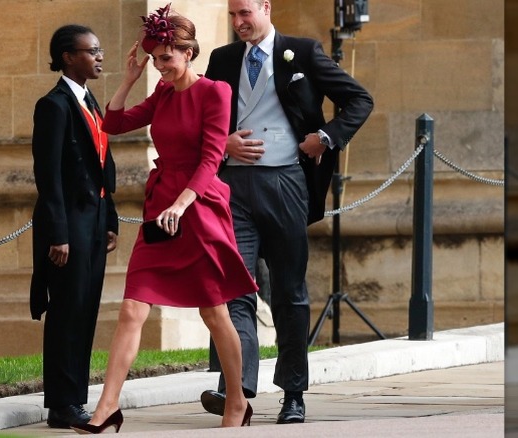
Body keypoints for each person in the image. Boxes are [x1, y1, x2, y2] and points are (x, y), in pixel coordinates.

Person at [70, 4, 258, 433]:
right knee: (132, 308)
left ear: (188, 53)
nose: (160, 65)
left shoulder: (215, 92)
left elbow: (212, 156)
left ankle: (236, 401)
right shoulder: (161, 95)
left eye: (166, 58)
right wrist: (130, 80)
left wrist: (182, 204)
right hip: (161, 209)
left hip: (200, 207)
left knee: (215, 313)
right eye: (155, 59)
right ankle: (107, 408)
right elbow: (112, 124)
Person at [200, 0, 374, 424]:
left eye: (245, 13)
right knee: (233, 288)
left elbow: (359, 100)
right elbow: (203, 117)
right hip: (233, 188)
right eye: (232, 16)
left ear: (265, 7)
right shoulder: (221, 59)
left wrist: (326, 138)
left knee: (289, 293)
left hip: (286, 183)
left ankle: (293, 392)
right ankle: (236, 391)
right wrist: (223, 142)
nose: (239, 23)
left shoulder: (305, 51)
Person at [29, 24, 119, 429]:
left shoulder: (90, 101)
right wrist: (58, 234)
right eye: (91, 51)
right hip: (69, 226)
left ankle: (74, 398)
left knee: (85, 311)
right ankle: (61, 403)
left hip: (95, 222)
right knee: (66, 311)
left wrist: (111, 219)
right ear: (68, 57)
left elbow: (102, 166)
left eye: (99, 51)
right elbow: (48, 176)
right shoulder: (54, 105)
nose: (99, 57)